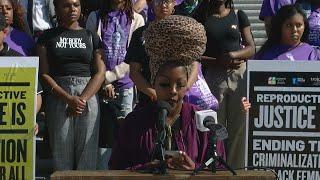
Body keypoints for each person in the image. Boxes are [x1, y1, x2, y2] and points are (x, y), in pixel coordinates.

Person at [109, 15, 225, 170]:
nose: (173, 91)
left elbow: (218, 167)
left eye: (180, 85)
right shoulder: (134, 123)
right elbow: (116, 168)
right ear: (153, 84)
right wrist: (147, 168)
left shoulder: (204, 123)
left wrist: (196, 168)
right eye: (164, 84)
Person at [37, 0, 105, 170]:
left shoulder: (91, 36)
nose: (72, 9)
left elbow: (100, 72)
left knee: (87, 155)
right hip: (59, 94)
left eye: (76, 5)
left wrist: (81, 99)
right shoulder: (46, 37)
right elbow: (44, 74)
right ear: (57, 9)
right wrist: (68, 99)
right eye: (66, 5)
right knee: (61, 155)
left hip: (88, 94)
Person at [193, 0, 255, 169]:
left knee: (240, 123)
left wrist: (233, 54)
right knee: (215, 126)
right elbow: (195, 53)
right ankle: (216, 168)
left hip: (239, 74)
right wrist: (218, 61)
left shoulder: (239, 14)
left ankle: (236, 169)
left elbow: (251, 48)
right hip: (213, 74)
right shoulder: (200, 15)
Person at [86, 0, 144, 170]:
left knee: (125, 131)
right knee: (100, 133)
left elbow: (132, 57)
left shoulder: (137, 19)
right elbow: (92, 52)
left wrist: (109, 77)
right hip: (98, 84)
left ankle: (123, 170)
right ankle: (102, 170)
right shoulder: (95, 17)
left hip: (125, 85)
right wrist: (103, 81)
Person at [255, 4, 320, 61]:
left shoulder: (313, 54)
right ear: (280, 26)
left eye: (299, 25)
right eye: (289, 25)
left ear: (304, 26)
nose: (294, 30)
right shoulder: (264, 55)